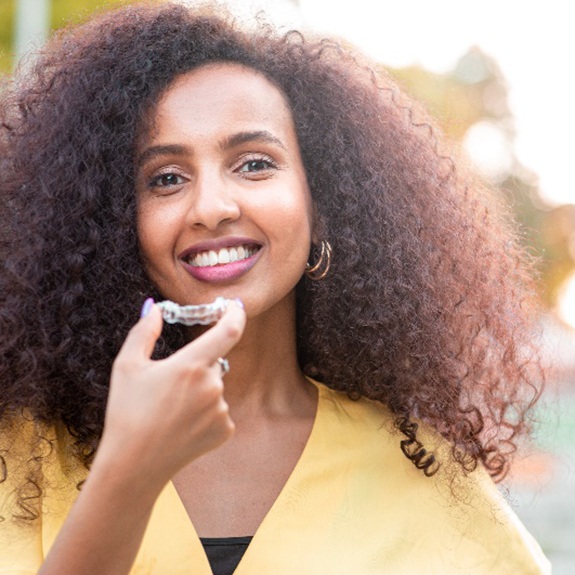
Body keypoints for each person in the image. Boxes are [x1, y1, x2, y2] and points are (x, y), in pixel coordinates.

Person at [0, 2, 550, 574]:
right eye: (165, 178)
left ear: (323, 200)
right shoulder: (24, 458)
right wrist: (126, 476)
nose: (212, 207)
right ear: (111, 222)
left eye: (255, 164)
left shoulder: (422, 473)